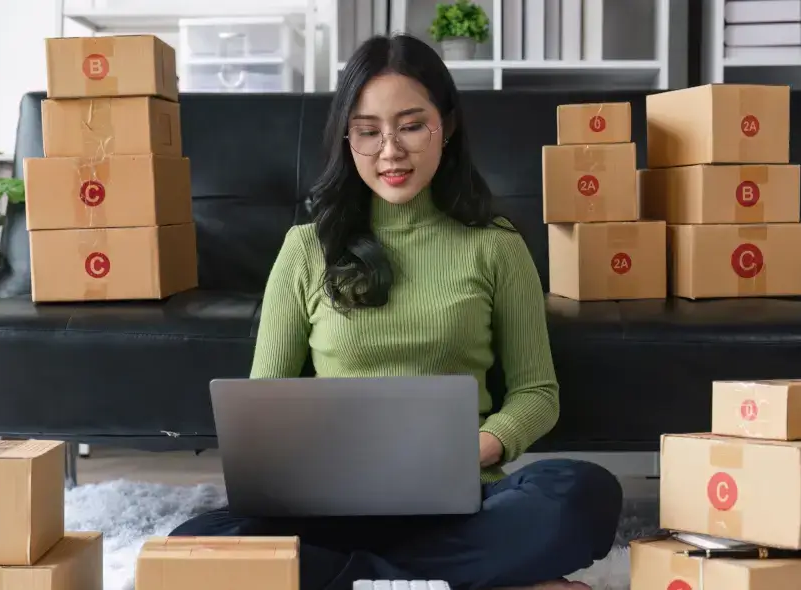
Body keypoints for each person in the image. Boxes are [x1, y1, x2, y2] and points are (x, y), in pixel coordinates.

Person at [171, 33, 623, 590]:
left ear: (447, 126)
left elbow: (537, 393)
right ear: (347, 136)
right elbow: (267, 400)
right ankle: (466, 581)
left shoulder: (495, 246)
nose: (391, 151)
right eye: (368, 131)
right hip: (328, 507)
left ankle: (363, 581)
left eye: (411, 125)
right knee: (192, 545)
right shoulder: (306, 248)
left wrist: (473, 449)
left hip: (462, 499)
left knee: (583, 494)